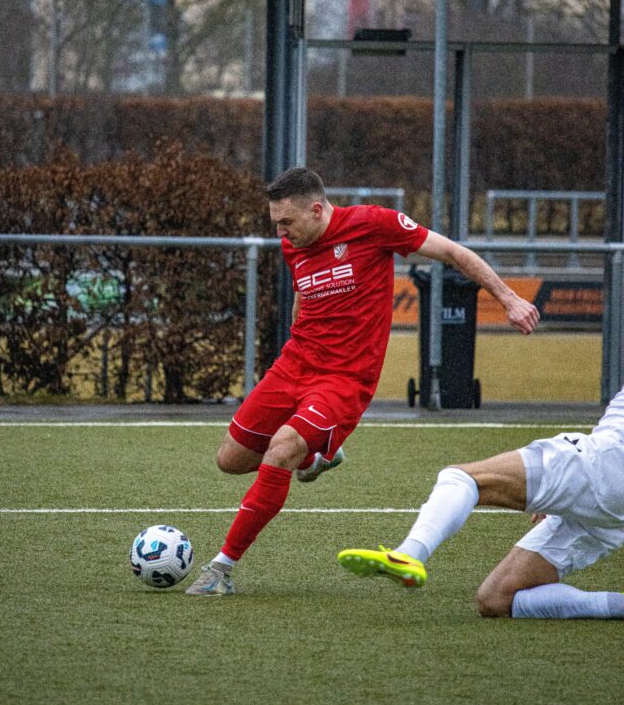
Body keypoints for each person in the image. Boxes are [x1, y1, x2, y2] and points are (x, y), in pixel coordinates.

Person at [185, 166, 540, 596]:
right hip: (294, 364)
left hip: (343, 379)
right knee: (231, 459)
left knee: (280, 449)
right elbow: (303, 285)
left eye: (286, 222)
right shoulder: (293, 243)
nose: (281, 231)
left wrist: (509, 298)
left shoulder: (374, 224)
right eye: (276, 223)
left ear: (317, 210)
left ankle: (221, 569)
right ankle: (316, 456)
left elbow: (453, 253)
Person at [338, 387, 624, 620]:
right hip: (610, 499)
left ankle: (409, 554)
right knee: (497, 599)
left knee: (463, 478)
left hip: (607, 463)